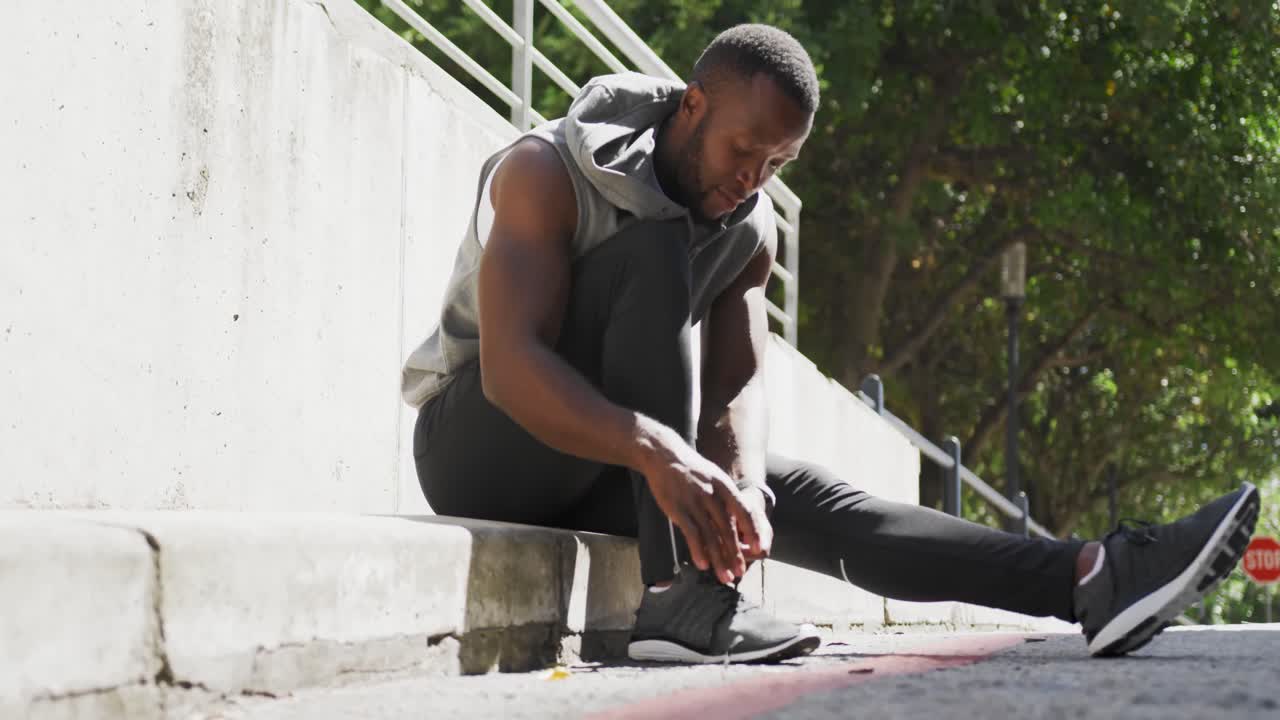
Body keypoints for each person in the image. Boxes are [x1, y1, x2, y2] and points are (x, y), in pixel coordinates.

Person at [402, 24, 1261, 663]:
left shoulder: (750, 223)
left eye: (777, 164)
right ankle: (681, 602)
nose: (752, 178)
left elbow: (737, 384)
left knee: (810, 500)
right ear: (692, 106)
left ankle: (1091, 576)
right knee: (657, 254)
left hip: (609, 457)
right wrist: (658, 450)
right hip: (479, 443)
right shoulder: (543, 172)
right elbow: (513, 371)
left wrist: (736, 480)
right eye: (744, 149)